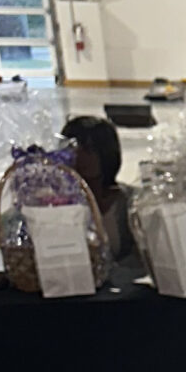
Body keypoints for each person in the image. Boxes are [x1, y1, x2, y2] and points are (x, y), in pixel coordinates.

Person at [59, 113, 135, 264]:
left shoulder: (129, 203)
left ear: (106, 153)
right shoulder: (55, 202)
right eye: (72, 149)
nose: (78, 157)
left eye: (88, 150)